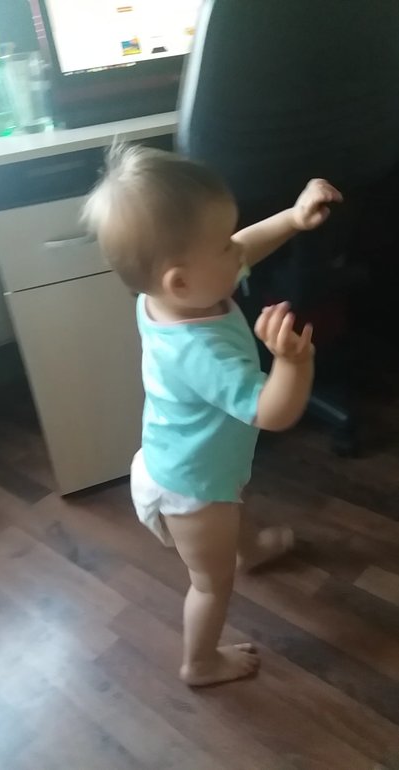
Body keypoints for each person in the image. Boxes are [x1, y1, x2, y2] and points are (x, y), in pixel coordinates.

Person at [83, 145, 342, 686]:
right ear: (180, 280)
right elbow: (271, 412)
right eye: (224, 244)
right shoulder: (202, 353)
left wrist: (293, 219)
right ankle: (199, 662)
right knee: (210, 582)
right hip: (189, 487)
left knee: (233, 501)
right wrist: (293, 363)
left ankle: (250, 549)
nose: (237, 247)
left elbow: (245, 246)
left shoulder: (168, 295)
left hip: (191, 462)